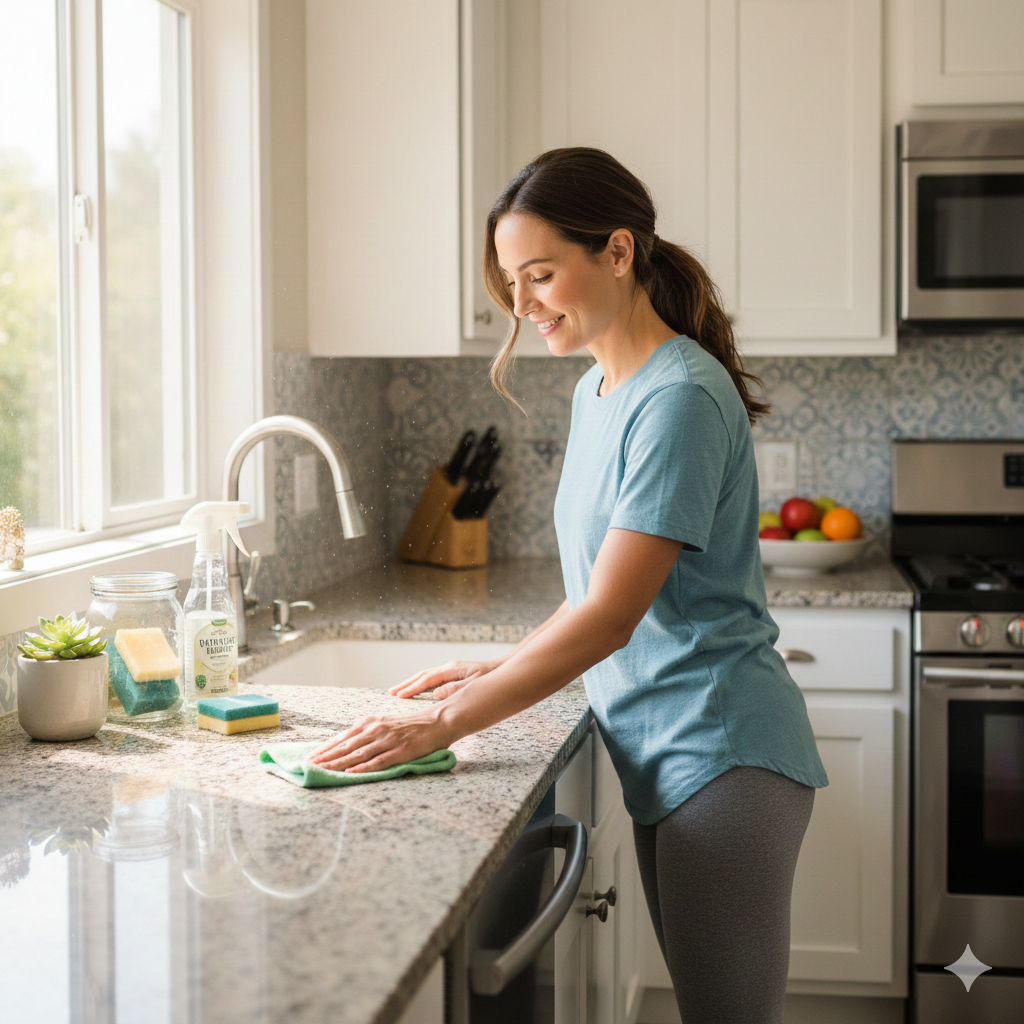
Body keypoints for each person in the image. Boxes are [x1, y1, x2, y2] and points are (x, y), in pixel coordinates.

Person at [311, 147, 828, 1023]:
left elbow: (610, 619)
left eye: (541, 274)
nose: (522, 304)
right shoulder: (599, 391)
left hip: (725, 754)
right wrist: (484, 670)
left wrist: (442, 722)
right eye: (512, 281)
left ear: (617, 253)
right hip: (670, 753)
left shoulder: (680, 399)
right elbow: (593, 586)